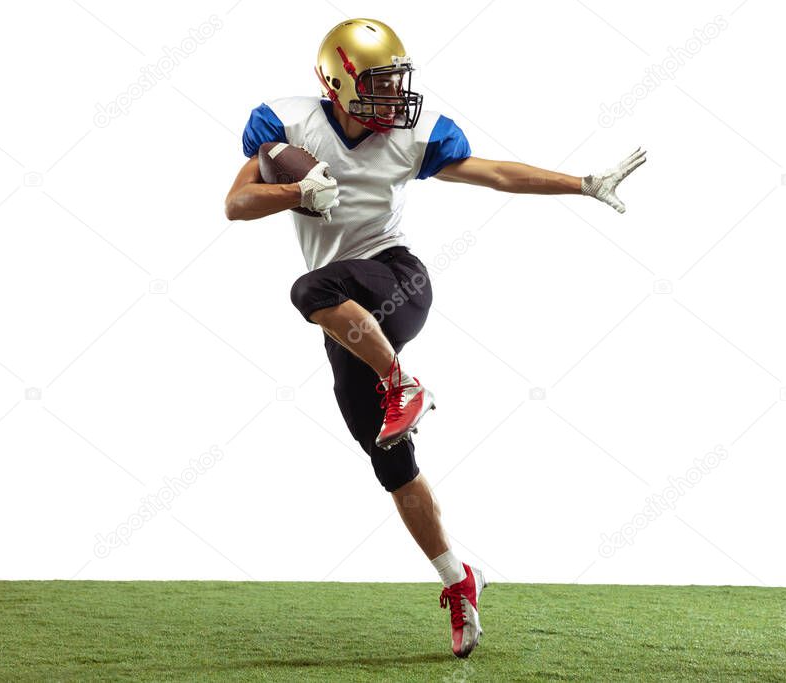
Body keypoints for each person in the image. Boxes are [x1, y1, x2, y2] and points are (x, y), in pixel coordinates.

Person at [223, 17, 645, 658]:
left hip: (396, 283)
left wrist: (583, 184)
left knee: (309, 291)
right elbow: (236, 204)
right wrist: (295, 190)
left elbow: (497, 174)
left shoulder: (411, 137)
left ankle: (403, 382)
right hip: (346, 321)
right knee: (390, 464)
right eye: (379, 83)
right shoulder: (287, 126)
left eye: (398, 82)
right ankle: (459, 581)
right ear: (337, 82)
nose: (395, 97)